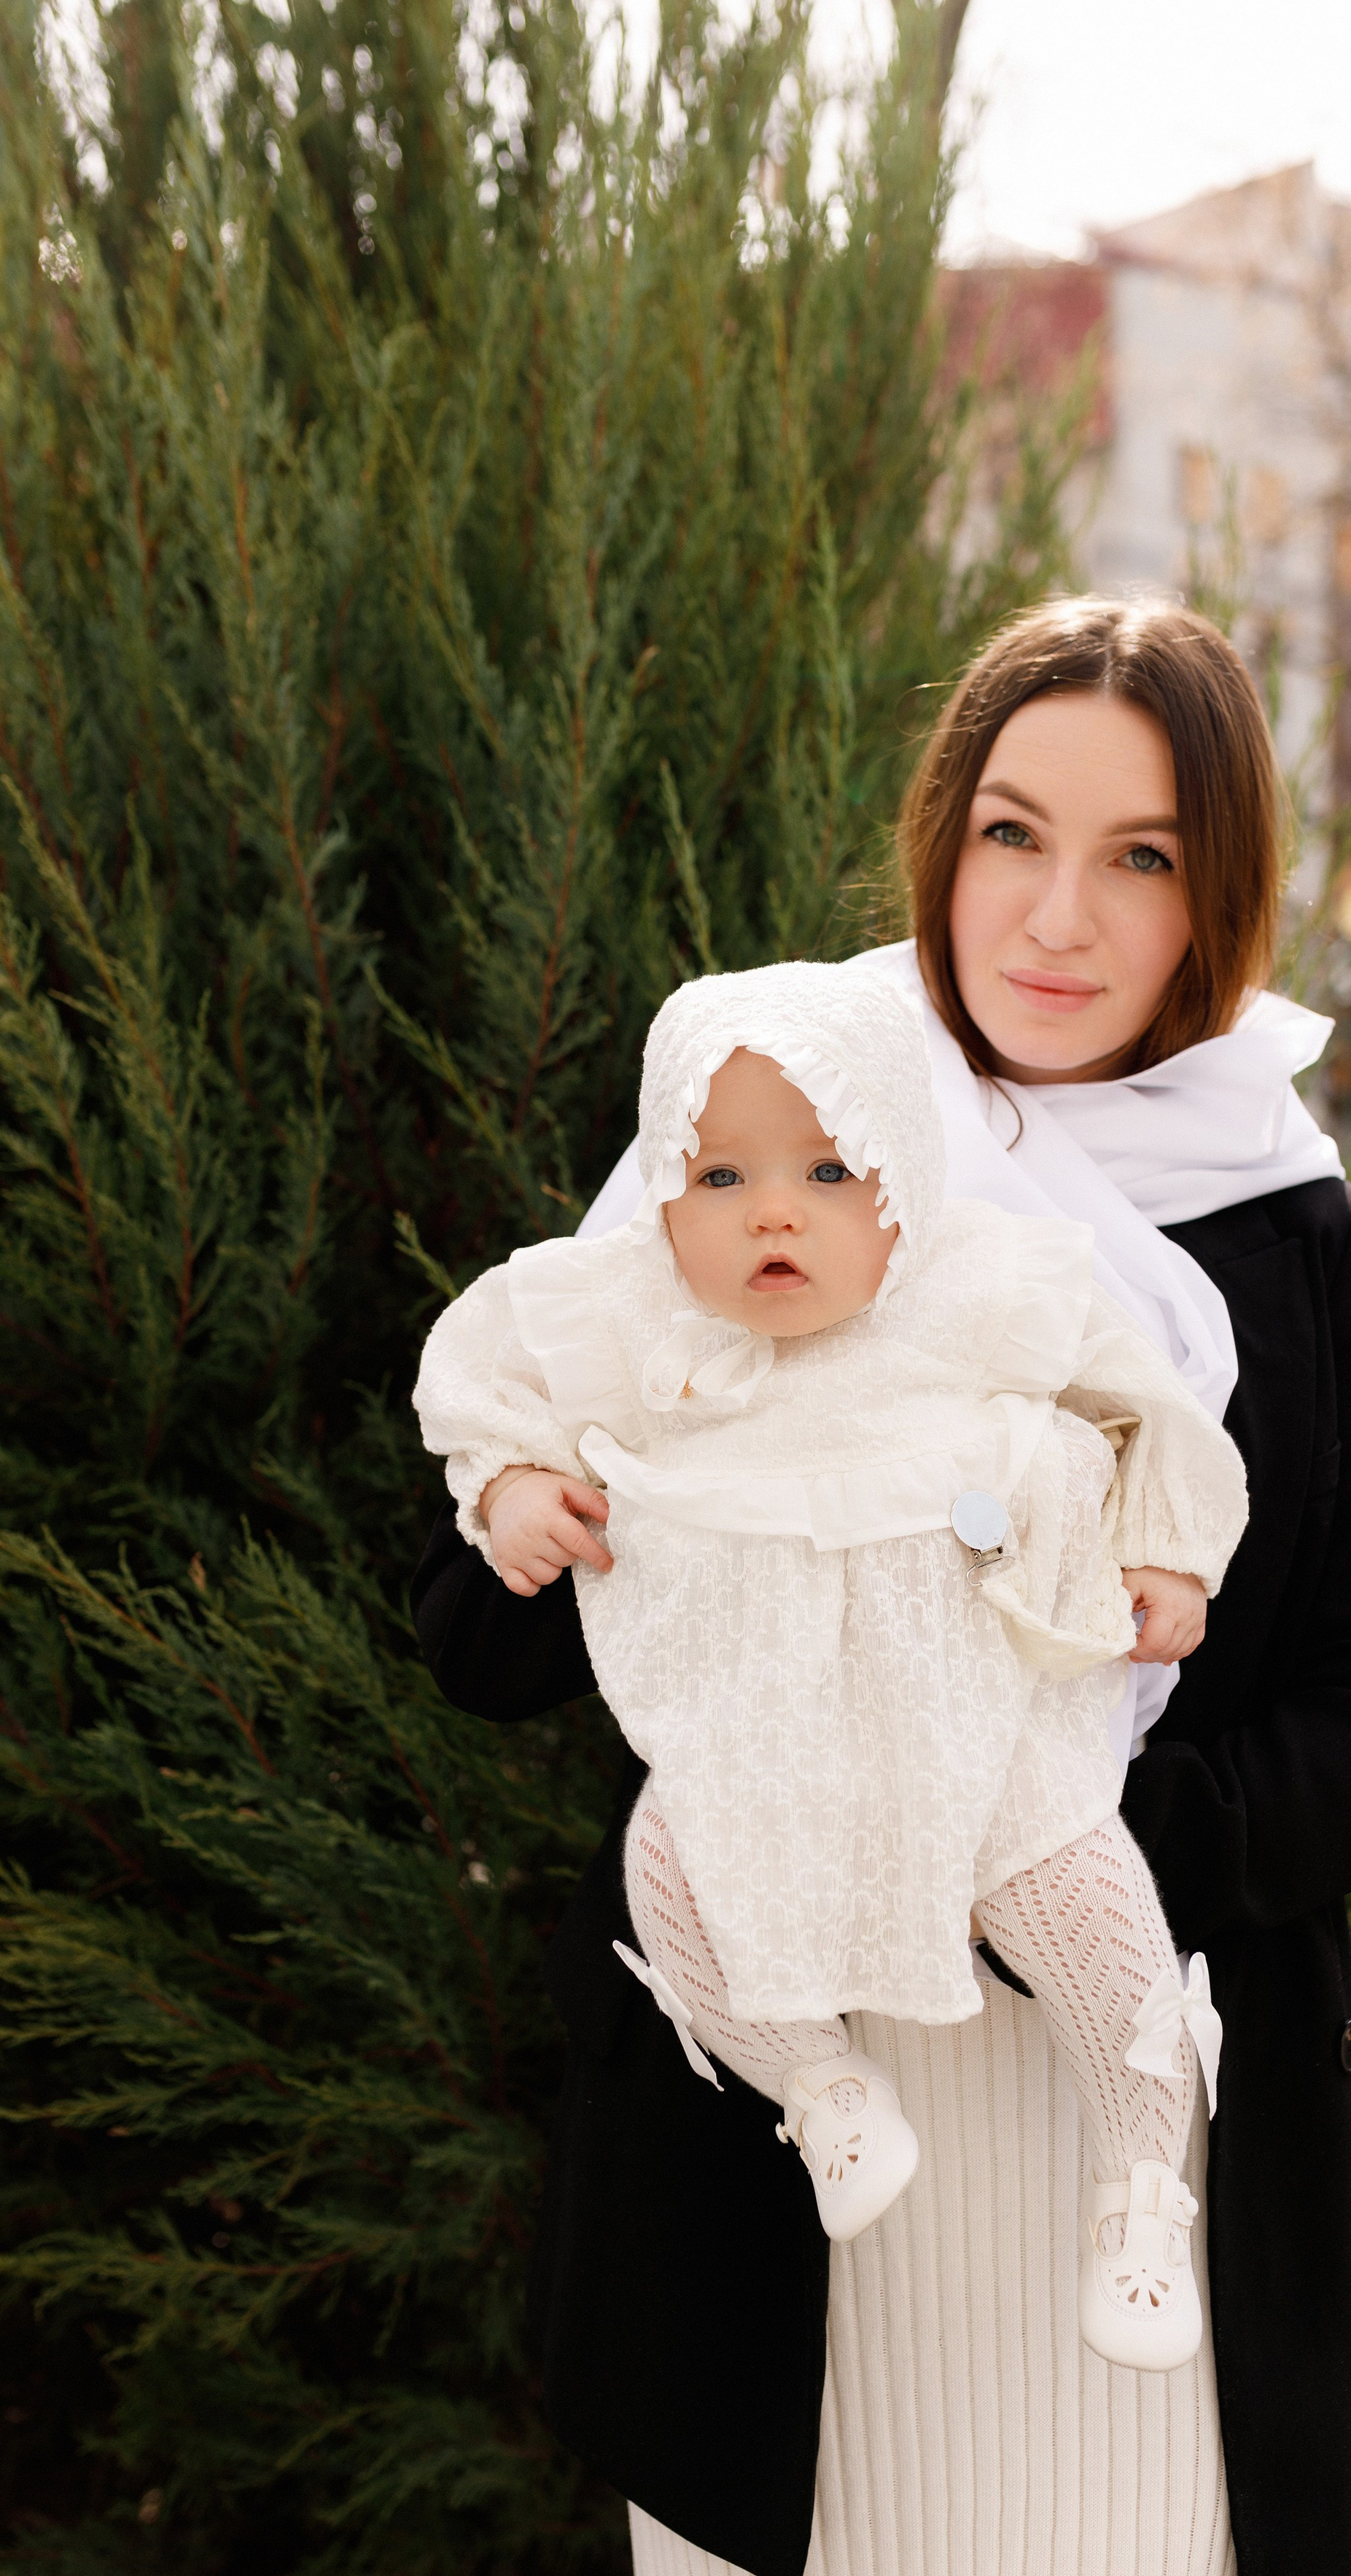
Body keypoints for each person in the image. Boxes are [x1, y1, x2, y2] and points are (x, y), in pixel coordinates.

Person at [409, 596, 1351, 2576]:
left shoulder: (1291, 1232)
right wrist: (559, 1524)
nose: (1058, 915)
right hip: (783, 2179)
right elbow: (483, 1639)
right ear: (943, 839)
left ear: (1218, 901)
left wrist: (1027, 1843)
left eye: (1142, 855)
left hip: (1128, 2172)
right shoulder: (773, 1129)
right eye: (1014, 832)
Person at [411, 959, 1248, 2368]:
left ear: (904, 1178)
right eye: (719, 1176)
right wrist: (509, 1492)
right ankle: (821, 2083)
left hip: (976, 1718)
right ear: (662, 1190)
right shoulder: (630, 1310)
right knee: (675, 1880)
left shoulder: (976, 1281)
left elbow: (1145, 1402)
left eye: (827, 1168)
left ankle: (1141, 2178)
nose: (774, 1210)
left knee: (1099, 1914)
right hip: (757, 1723)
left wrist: (1166, 1549)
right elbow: (479, 1379)